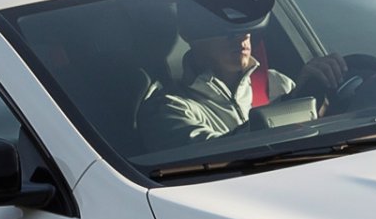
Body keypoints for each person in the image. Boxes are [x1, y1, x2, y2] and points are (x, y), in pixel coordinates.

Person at [141, 27, 349, 152]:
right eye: (224, 29)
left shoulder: (277, 83)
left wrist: (327, 110)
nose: (241, 36)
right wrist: (290, 104)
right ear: (192, 33)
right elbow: (218, 156)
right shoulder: (168, 108)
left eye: (247, 26)